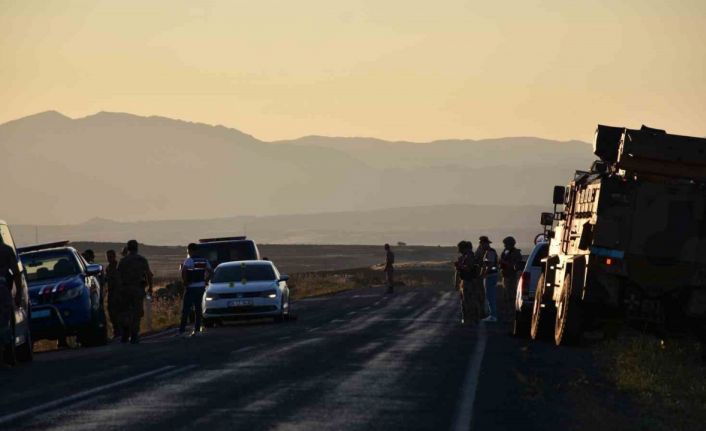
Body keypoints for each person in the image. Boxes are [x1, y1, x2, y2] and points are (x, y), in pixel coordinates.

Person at [117, 240, 153, 344]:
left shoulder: (123, 261)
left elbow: (118, 276)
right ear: (137, 248)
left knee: (125, 312)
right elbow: (148, 275)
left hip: (125, 289)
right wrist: (150, 287)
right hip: (138, 289)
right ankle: (134, 334)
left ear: (128, 248)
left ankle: (125, 332)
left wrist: (120, 289)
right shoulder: (141, 260)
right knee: (136, 313)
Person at [179, 243, 212, 337]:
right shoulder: (204, 260)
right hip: (201, 287)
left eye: (188, 250)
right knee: (198, 309)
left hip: (191, 287)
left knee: (186, 309)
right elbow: (211, 271)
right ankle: (197, 330)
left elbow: (184, 271)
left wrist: (185, 282)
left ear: (190, 250)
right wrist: (206, 281)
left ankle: (182, 331)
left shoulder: (189, 260)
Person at [0, 239, 22, 364]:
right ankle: (7, 357)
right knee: (4, 324)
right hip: (3, 290)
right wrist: (19, 293)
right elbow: (16, 273)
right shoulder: (6, 250)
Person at [455, 241, 483, 324]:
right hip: (467, 281)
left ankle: (471, 319)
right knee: (467, 301)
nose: (459, 250)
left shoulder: (469, 257)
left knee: (469, 301)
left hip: (469, 281)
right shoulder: (466, 257)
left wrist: (460, 266)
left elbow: (469, 268)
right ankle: (469, 318)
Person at [478, 236, 499, 322]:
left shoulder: (490, 252)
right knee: (489, 296)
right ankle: (492, 315)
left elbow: (490, 265)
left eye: (481, 243)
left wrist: (484, 274)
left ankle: (493, 315)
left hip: (490, 276)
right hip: (490, 276)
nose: (481, 245)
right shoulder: (487, 252)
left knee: (490, 296)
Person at [500, 236, 523, 306]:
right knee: (506, 293)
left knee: (511, 294)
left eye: (506, 244)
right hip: (506, 275)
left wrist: (504, 262)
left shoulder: (516, 253)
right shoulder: (506, 252)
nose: (505, 246)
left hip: (512, 276)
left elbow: (515, 265)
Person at [104, 249, 122, 339]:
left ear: (114, 256)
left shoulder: (119, 266)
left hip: (119, 292)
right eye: (108, 257)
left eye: (110, 256)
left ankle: (122, 331)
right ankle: (117, 331)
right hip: (112, 293)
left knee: (120, 312)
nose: (109, 258)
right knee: (112, 313)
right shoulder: (108, 268)